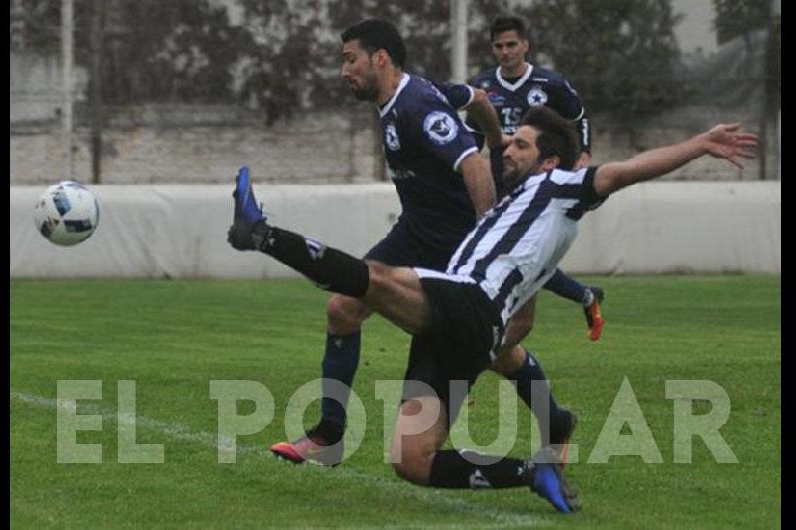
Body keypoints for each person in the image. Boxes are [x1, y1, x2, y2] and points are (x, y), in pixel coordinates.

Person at [228, 107, 757, 513]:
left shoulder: (559, 187)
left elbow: (619, 173)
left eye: (522, 145)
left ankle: (262, 233)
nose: (509, 151)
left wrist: (698, 144)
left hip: (469, 304)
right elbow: (535, 256)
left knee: (373, 282)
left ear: (549, 160)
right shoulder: (520, 207)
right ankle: (531, 472)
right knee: (411, 462)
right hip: (465, 331)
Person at [268, 18, 575, 470]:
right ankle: (330, 435)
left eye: (349, 59)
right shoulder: (409, 96)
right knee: (342, 309)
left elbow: (470, 166)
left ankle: (555, 422)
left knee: (497, 350)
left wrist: (486, 228)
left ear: (380, 59)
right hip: (415, 233)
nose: (344, 71)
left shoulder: (416, 105)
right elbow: (478, 98)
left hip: (455, 244)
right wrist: (495, 138)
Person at [469, 15, 604, 341]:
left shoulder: (549, 84)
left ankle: (489, 340)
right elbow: (473, 135)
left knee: (521, 254)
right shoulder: (483, 87)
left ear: (525, 45)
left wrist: (584, 153)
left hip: (540, 182)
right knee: (517, 254)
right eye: (499, 46)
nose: (505, 52)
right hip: (501, 179)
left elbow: (579, 117)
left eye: (511, 44)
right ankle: (584, 296)